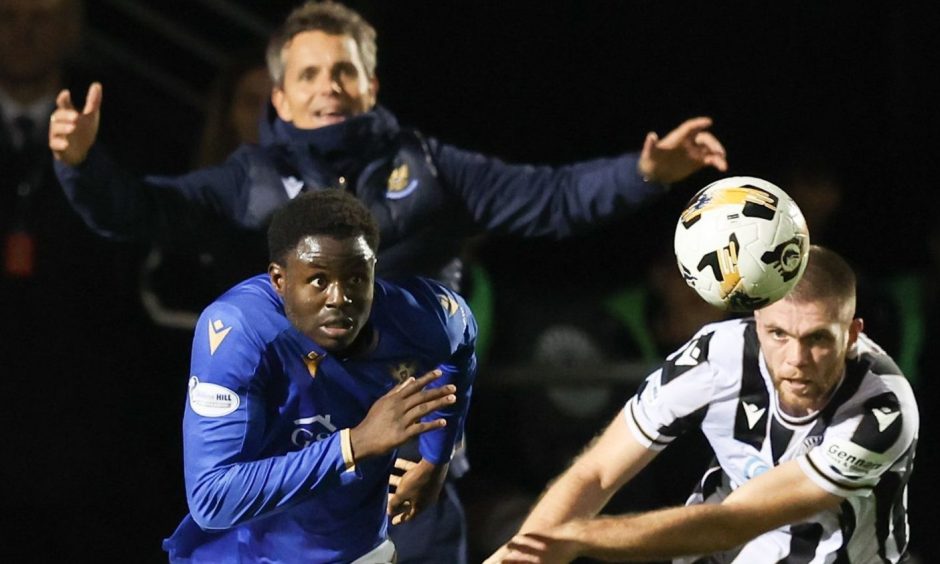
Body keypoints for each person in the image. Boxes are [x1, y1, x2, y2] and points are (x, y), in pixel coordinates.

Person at [48, 2, 727, 560]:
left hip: (410, 472)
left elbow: (550, 199)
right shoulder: (250, 181)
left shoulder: (429, 168)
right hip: (296, 470)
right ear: (279, 95)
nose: (329, 87)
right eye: (309, 74)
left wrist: (642, 175)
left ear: (371, 85)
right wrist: (82, 167)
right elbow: (143, 211)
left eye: (344, 70)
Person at [487, 245, 918, 563]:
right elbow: (597, 472)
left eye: (818, 338)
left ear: (853, 334)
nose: (796, 360)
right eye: (778, 334)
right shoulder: (716, 355)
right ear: (755, 321)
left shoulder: (884, 409)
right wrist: (525, 551)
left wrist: (581, 536)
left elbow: (734, 521)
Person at [162, 189, 477, 562]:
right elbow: (212, 498)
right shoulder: (238, 331)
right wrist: (354, 444)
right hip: (245, 554)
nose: (338, 298)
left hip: (358, 550)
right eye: (318, 280)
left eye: (357, 279)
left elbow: (461, 348)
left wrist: (436, 460)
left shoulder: (425, 315)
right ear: (279, 281)